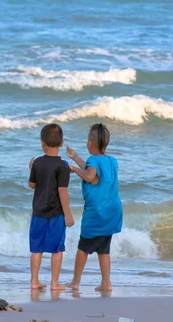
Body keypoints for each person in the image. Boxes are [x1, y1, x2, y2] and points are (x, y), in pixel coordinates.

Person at [66, 123, 123, 292]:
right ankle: (106, 282)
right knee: (104, 250)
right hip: (113, 212)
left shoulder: (93, 161)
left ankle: (75, 282)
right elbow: (93, 169)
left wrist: (74, 169)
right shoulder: (112, 161)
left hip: (97, 213)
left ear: (90, 143)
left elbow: (90, 176)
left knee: (83, 248)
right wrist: (76, 157)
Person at [28, 123, 75, 291]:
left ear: (42, 143)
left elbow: (31, 185)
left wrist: (31, 169)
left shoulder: (37, 163)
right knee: (57, 248)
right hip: (56, 214)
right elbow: (62, 191)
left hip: (38, 212)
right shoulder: (62, 166)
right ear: (61, 143)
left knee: (36, 248)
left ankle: (34, 281)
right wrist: (68, 215)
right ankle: (55, 283)